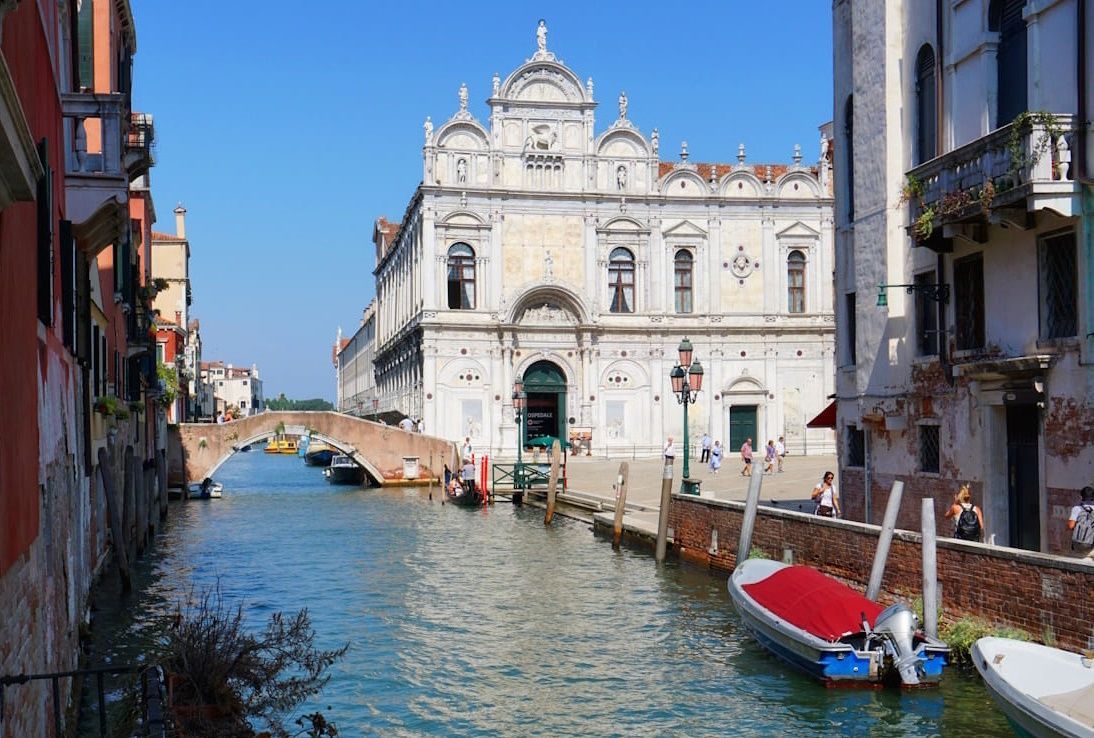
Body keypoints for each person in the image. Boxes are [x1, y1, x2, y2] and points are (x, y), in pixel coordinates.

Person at [1067, 486, 1094, 556]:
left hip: (1078, 544)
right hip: (1092, 544)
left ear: (1081, 497)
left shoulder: (1076, 508)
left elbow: (1071, 526)